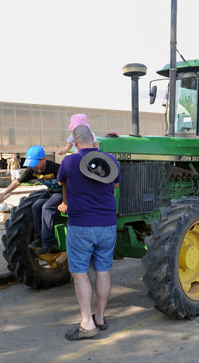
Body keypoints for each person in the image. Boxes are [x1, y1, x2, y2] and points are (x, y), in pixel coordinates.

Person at [57, 125, 121, 340]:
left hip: (81, 225)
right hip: (107, 224)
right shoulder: (110, 160)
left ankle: (87, 323)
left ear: (74, 142)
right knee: (103, 270)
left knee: (80, 273)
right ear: (94, 140)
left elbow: (61, 182)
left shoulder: (69, 161)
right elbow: (114, 186)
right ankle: (100, 318)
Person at [0, 146, 62, 254]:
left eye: (34, 163)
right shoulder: (32, 170)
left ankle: (49, 242)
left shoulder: (55, 168)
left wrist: (66, 202)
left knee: (47, 207)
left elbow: (68, 184)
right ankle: (39, 239)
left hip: (63, 192)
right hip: (51, 191)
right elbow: (17, 182)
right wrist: (3, 195)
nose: (32, 166)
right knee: (36, 206)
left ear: (43, 160)